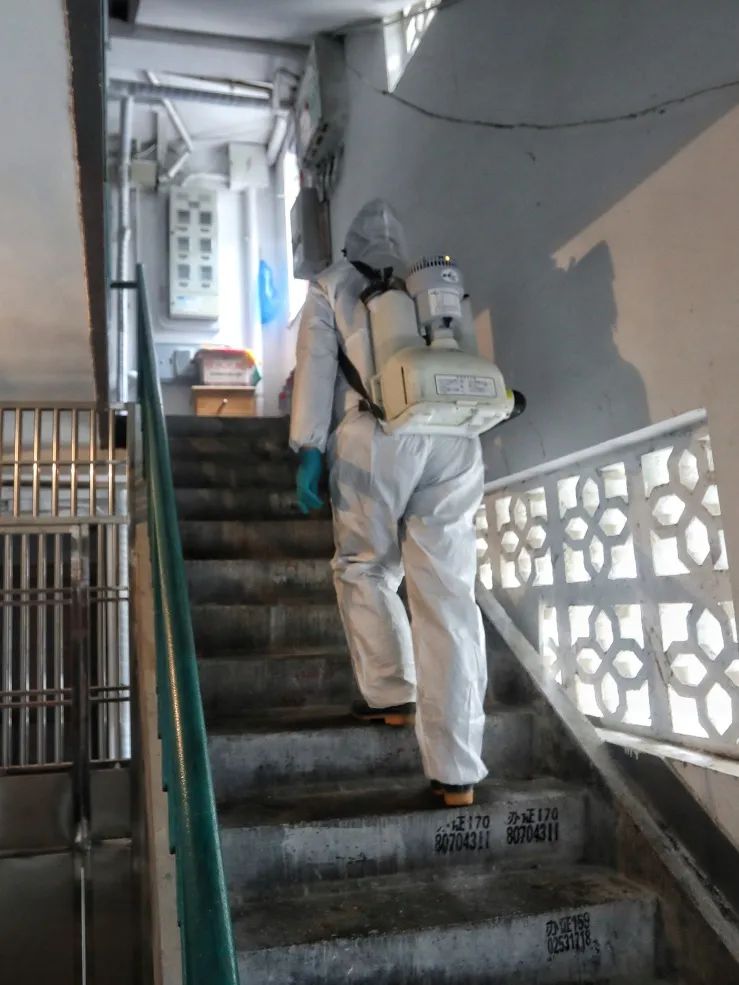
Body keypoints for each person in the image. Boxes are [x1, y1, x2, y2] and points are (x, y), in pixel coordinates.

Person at [289, 199, 487, 807]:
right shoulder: (432, 287)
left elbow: (316, 366)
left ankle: (390, 692)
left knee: (366, 567)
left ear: (349, 245)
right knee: (449, 599)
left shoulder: (331, 285)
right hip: (455, 439)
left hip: (375, 436)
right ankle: (458, 771)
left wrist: (308, 448)